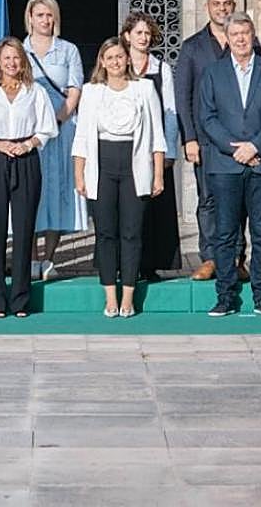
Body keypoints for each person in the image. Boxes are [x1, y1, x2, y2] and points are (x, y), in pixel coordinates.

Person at [198, 13, 261, 317]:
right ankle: (225, 296)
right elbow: (207, 117)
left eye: (245, 33)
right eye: (234, 34)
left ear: (253, 35)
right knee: (225, 234)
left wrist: (254, 146)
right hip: (225, 165)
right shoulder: (213, 73)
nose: (240, 39)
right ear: (227, 38)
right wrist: (234, 148)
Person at [0, 38, 57, 318]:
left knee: (24, 229)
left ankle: (20, 299)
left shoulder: (36, 92)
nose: (12, 63)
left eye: (16, 57)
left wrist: (28, 144)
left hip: (26, 158)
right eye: (6, 58)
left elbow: (47, 129)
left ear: (23, 61)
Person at [73, 37, 165, 317]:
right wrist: (79, 174)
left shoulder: (145, 88)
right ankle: (110, 296)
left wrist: (158, 174)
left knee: (131, 233)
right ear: (102, 61)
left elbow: (157, 135)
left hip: (135, 167)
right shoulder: (91, 91)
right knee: (105, 233)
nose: (115, 62)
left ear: (127, 59)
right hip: (102, 166)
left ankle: (128, 296)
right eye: (109, 57)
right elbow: (81, 137)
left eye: (119, 56)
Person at [175, 0, 261, 280]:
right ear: (207, 7)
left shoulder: (250, 43)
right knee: (208, 200)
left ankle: (237, 258)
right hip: (206, 139)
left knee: (240, 201)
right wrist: (189, 137)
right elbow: (183, 95)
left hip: (241, 141)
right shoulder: (192, 47)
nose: (222, 8)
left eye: (227, 3)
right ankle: (210, 257)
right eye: (216, 4)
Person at [22, 0, 85, 279]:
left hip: (61, 131)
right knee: (31, 191)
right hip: (28, 133)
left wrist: (58, 119)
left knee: (57, 191)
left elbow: (74, 90)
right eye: (40, 15)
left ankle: (48, 258)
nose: (45, 20)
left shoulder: (68, 50)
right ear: (30, 18)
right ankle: (31, 258)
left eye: (50, 15)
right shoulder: (20, 50)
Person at [121, 12, 180, 280]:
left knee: (154, 208)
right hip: (124, 147)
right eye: (139, 33)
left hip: (152, 149)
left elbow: (170, 111)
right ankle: (124, 264)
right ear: (127, 36)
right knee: (126, 209)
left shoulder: (161, 68)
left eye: (147, 33)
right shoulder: (118, 64)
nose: (144, 38)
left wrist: (168, 152)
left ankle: (150, 264)